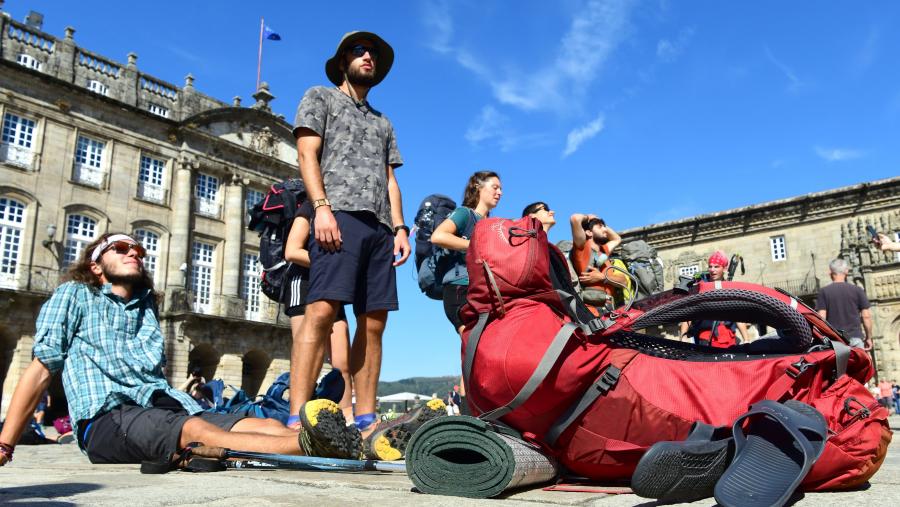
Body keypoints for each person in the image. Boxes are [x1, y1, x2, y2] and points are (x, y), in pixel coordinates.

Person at [0, 233, 361, 468]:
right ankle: (314, 446)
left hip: (163, 407)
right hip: (107, 420)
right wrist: (5, 445)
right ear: (95, 267)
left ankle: (344, 442)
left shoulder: (146, 307)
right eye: (121, 249)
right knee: (193, 430)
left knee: (264, 423)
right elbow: (42, 368)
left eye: (138, 251)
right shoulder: (76, 295)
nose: (133, 253)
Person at [292, 31, 443, 461]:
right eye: (359, 50)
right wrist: (321, 208)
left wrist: (400, 227)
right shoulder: (320, 97)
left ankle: (365, 417)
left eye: (373, 52)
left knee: (374, 322)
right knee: (322, 310)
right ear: (343, 60)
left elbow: (390, 179)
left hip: (379, 227)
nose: (367, 56)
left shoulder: (383, 122)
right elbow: (306, 154)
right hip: (337, 213)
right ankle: (297, 415)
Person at [282, 198, 354, 424]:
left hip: (331, 286)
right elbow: (291, 251)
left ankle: (347, 417)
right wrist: (331, 264)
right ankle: (298, 417)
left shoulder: (347, 210)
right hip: (303, 284)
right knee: (306, 356)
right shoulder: (310, 206)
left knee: (342, 360)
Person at [431, 171, 502, 335]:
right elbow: (438, 236)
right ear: (478, 187)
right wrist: (474, 245)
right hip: (460, 288)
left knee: (487, 344)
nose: (500, 193)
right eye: (495, 187)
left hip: (485, 292)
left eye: (500, 189)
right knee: (473, 342)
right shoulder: (464, 213)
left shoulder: (492, 224)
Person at [679, 251, 751, 347]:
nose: (712, 270)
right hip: (705, 339)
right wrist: (683, 337)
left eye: (716, 267)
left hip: (729, 339)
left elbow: (737, 315)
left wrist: (746, 339)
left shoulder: (730, 288)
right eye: (710, 266)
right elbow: (689, 312)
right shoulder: (700, 287)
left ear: (724, 268)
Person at [569, 213, 628, 314]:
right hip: (592, 311)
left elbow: (624, 282)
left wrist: (603, 277)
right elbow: (575, 218)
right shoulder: (582, 249)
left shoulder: (604, 251)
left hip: (609, 309)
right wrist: (589, 218)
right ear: (589, 232)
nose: (605, 230)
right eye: (600, 227)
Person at [816, 258, 872, 350]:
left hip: (835, 341)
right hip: (855, 339)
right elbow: (866, 316)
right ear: (846, 271)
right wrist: (869, 337)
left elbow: (821, 318)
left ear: (830, 272)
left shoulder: (824, 292)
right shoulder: (857, 290)